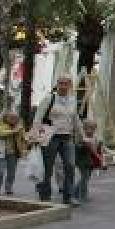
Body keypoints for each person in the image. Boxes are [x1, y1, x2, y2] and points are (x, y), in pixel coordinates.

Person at [34, 76, 81, 205]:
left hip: (67, 136)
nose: (63, 86)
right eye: (61, 83)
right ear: (57, 84)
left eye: (66, 84)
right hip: (50, 136)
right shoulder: (49, 98)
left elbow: (75, 119)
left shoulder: (72, 100)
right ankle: (45, 194)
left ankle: (68, 196)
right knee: (47, 167)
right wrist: (35, 136)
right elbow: (38, 117)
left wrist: (82, 136)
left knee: (70, 165)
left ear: (70, 85)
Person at [0, 112, 29, 196]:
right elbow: (1, 133)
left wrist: (29, 140)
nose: (13, 119)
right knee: (0, 171)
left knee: (11, 172)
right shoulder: (0, 125)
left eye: (15, 118)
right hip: (2, 153)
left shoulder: (20, 127)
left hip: (14, 153)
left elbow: (25, 137)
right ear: (6, 118)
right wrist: (14, 131)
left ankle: (9, 188)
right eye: (11, 117)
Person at [74, 119, 104, 204]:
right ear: (84, 128)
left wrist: (99, 145)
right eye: (89, 128)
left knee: (86, 178)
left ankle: (75, 192)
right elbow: (79, 147)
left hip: (90, 161)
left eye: (93, 129)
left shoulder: (93, 137)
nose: (91, 131)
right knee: (84, 178)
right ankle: (82, 195)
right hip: (82, 160)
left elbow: (96, 147)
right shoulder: (82, 137)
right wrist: (84, 144)